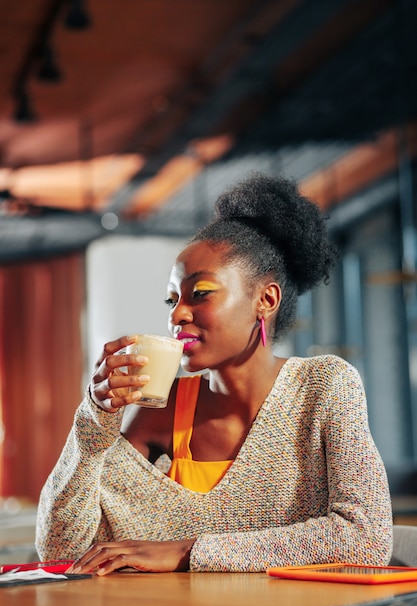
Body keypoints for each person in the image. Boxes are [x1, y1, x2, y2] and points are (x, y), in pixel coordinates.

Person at [35, 173, 393, 574]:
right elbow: (61, 551)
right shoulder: (162, 410)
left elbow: (366, 538)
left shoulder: (325, 386)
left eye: (199, 293)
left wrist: (189, 551)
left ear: (266, 299)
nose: (176, 315)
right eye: (172, 300)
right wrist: (95, 418)